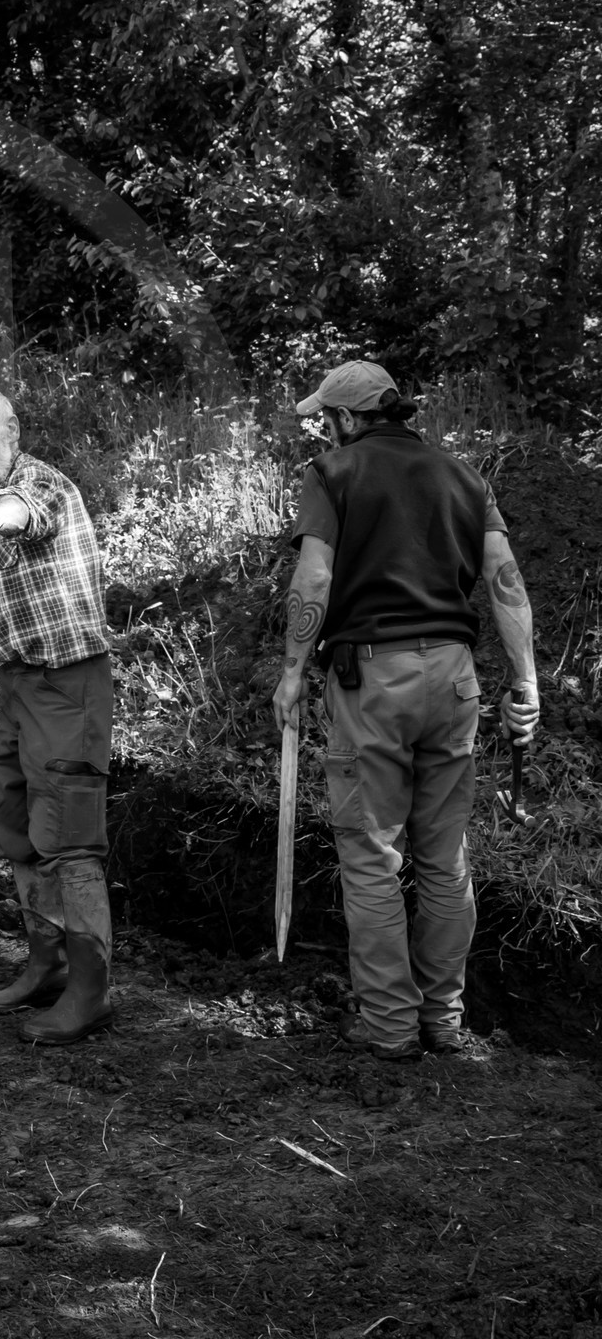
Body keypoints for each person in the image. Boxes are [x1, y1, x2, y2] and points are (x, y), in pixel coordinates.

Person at [273, 361, 540, 1060]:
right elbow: (506, 581)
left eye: (326, 417)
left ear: (348, 418)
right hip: (453, 680)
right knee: (445, 860)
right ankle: (442, 1021)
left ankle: (391, 1027)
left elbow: (316, 574)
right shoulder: (465, 477)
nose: (324, 429)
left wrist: (293, 671)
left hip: (373, 681)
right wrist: (526, 682)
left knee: (372, 858)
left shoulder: (332, 472)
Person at [0, 385, 116, 1046]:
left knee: (69, 839)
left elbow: (21, 512)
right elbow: (22, 595)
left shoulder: (35, 484)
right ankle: (49, 965)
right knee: (15, 824)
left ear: (11, 431)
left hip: (69, 685)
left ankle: (91, 992)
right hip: (19, 685)